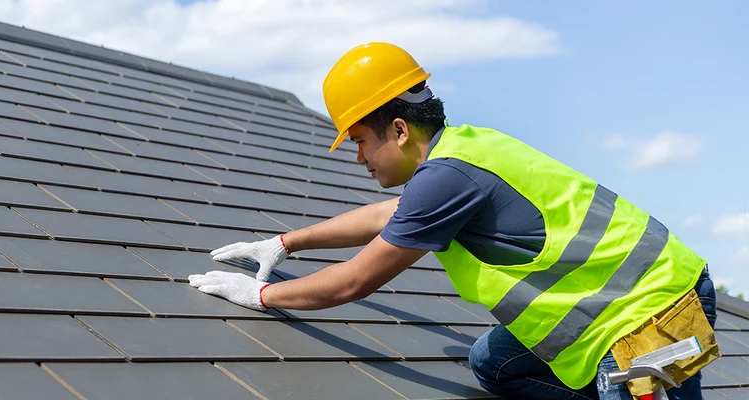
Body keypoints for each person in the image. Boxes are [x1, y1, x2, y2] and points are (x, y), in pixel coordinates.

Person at [188, 42, 718, 399]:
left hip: (650, 316)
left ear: (397, 130)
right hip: (636, 297)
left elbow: (354, 281)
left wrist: (260, 297)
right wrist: (285, 243)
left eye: (360, 142)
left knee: (618, 384)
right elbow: (387, 215)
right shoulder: (462, 151)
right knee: (493, 362)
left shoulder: (446, 178)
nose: (358, 158)